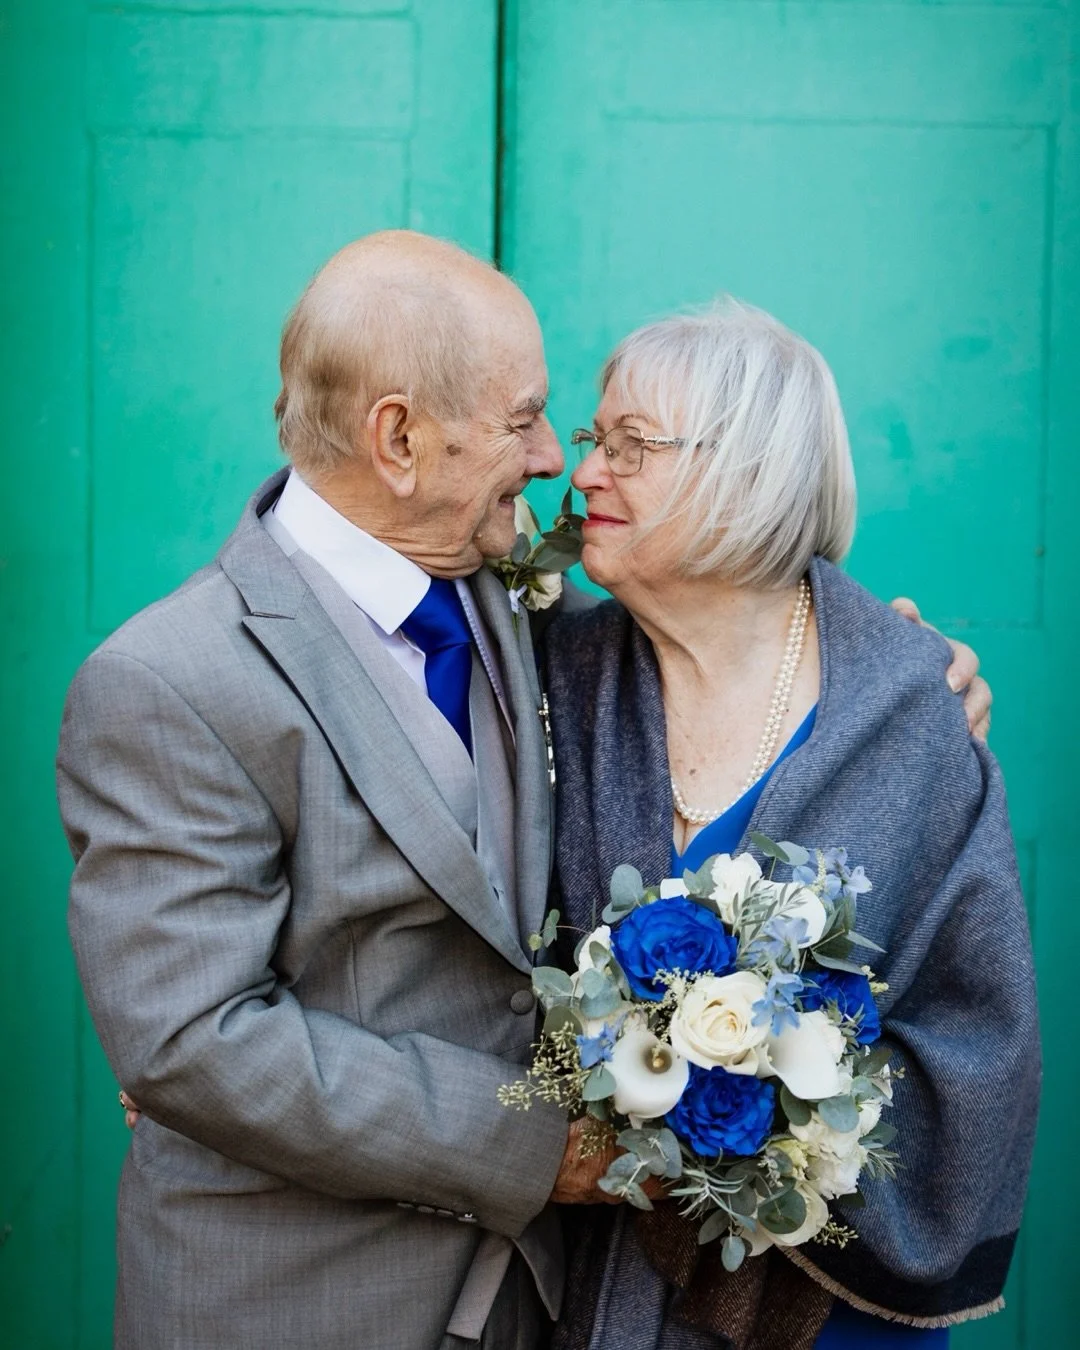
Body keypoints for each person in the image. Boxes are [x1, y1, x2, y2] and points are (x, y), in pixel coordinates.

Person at [61, 231, 988, 1350]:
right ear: (397, 440)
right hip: (300, 1294)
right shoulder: (169, 681)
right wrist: (541, 1150)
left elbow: (730, 611)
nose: (555, 456)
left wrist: (897, 671)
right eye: (524, 421)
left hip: (544, 1304)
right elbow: (192, 1043)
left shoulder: (518, 604)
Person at [542, 300, 1037, 1350]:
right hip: (586, 1280)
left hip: (830, 1315)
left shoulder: (905, 708)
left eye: (630, 446)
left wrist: (787, 1121)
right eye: (593, 441)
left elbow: (975, 1026)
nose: (584, 473)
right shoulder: (553, 678)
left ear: (748, 471)